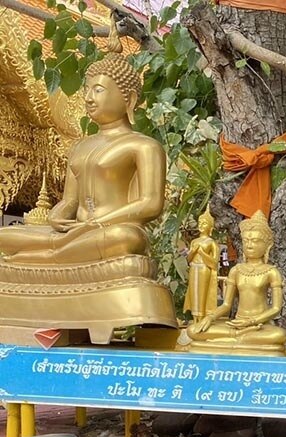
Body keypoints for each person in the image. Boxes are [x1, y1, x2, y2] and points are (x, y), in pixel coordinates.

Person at [0, 23, 165, 264]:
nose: (88, 98)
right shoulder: (79, 147)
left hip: (111, 231)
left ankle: (47, 256)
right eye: (87, 90)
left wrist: (95, 224)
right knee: (5, 235)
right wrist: (57, 216)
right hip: (74, 233)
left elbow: (150, 204)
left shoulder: (143, 146)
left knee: (127, 238)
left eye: (98, 90)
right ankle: (55, 251)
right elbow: (70, 201)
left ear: (128, 99)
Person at [187, 210, 286, 354]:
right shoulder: (236, 270)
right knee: (193, 330)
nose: (250, 245)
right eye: (246, 241)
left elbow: (276, 308)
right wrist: (210, 317)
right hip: (235, 324)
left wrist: (251, 321)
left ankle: (229, 341)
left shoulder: (271, 272)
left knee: (279, 335)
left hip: (259, 326)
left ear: (267, 246)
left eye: (255, 241)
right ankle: (239, 339)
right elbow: (227, 305)